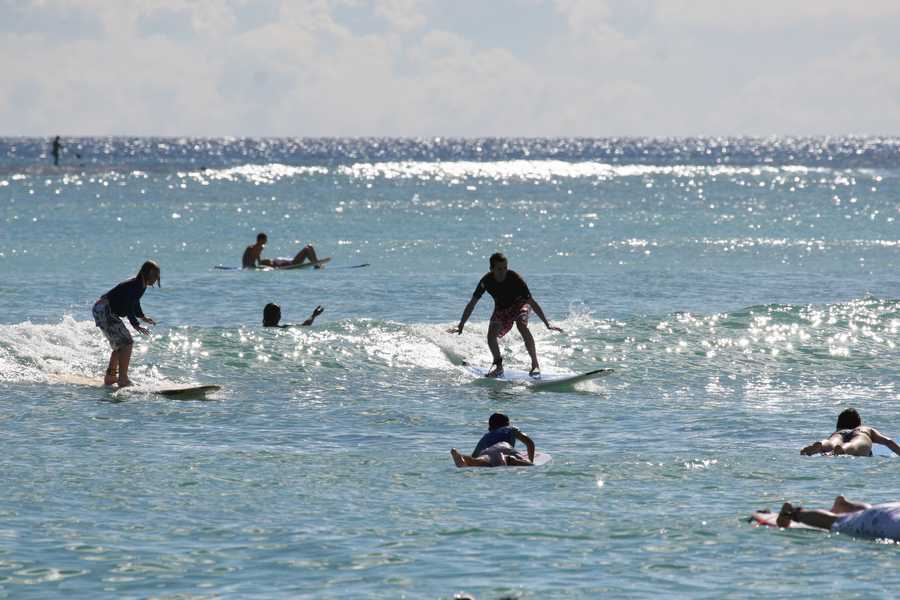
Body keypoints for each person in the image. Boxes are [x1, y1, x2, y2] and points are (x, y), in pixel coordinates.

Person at [449, 252, 563, 377]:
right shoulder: (486, 281)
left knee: (521, 325)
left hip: (521, 304)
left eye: (505, 268)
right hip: (502, 308)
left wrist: (547, 324)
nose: (503, 272)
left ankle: (535, 365)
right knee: (491, 335)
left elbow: (532, 302)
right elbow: (472, 304)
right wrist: (461, 324)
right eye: (499, 269)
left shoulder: (515, 278)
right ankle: (498, 367)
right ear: (491, 269)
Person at [92, 261, 160, 387]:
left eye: (157, 275)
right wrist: (135, 324)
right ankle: (123, 379)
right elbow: (129, 305)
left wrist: (142, 317)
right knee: (127, 342)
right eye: (154, 275)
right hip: (104, 309)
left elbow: (135, 302)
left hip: (102, 309)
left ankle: (110, 377)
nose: (156, 278)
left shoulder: (141, 285)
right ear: (145, 273)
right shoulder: (136, 285)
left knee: (121, 345)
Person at [775, 496, 900, 541]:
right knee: (835, 521)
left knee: (866, 513)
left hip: (891, 509)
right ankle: (790, 513)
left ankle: (846, 506)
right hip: (880, 522)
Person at [800, 408, 900, 456]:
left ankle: (821, 445)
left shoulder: (839, 430)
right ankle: (842, 449)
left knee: (831, 442)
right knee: (854, 445)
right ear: (858, 423)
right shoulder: (865, 429)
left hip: (839, 434)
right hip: (860, 434)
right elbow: (888, 441)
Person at [450, 412, 536, 468]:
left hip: (487, 452)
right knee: (528, 464)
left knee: (482, 461)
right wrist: (530, 460)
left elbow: (474, 455)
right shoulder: (510, 429)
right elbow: (529, 443)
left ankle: (464, 459)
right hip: (505, 448)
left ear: (490, 428)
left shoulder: (486, 436)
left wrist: (472, 461)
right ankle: (509, 459)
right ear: (508, 424)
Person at [242, 232, 320, 269]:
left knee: (308, 248)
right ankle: (316, 264)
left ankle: (316, 263)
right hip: (289, 262)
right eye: (265, 240)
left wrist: (259, 266)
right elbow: (247, 259)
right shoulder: (251, 248)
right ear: (260, 240)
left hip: (287, 262)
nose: (266, 241)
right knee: (308, 248)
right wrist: (247, 266)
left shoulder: (260, 248)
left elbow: (258, 261)